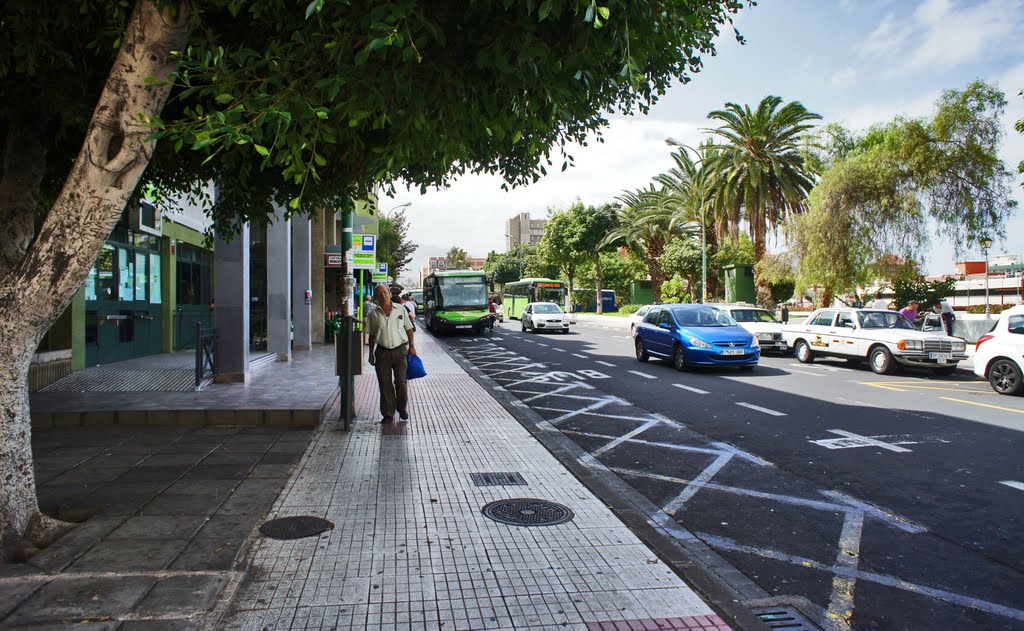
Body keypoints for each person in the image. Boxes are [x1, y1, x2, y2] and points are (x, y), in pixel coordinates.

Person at [365, 284, 416, 424]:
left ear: (389, 292)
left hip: (400, 351)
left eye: (384, 292)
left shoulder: (400, 309)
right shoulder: (374, 314)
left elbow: (409, 328)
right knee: (385, 384)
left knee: (401, 381)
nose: (383, 295)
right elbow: (372, 336)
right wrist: (370, 354)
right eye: (379, 293)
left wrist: (412, 346)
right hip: (382, 352)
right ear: (376, 296)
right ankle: (388, 413)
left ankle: (402, 409)